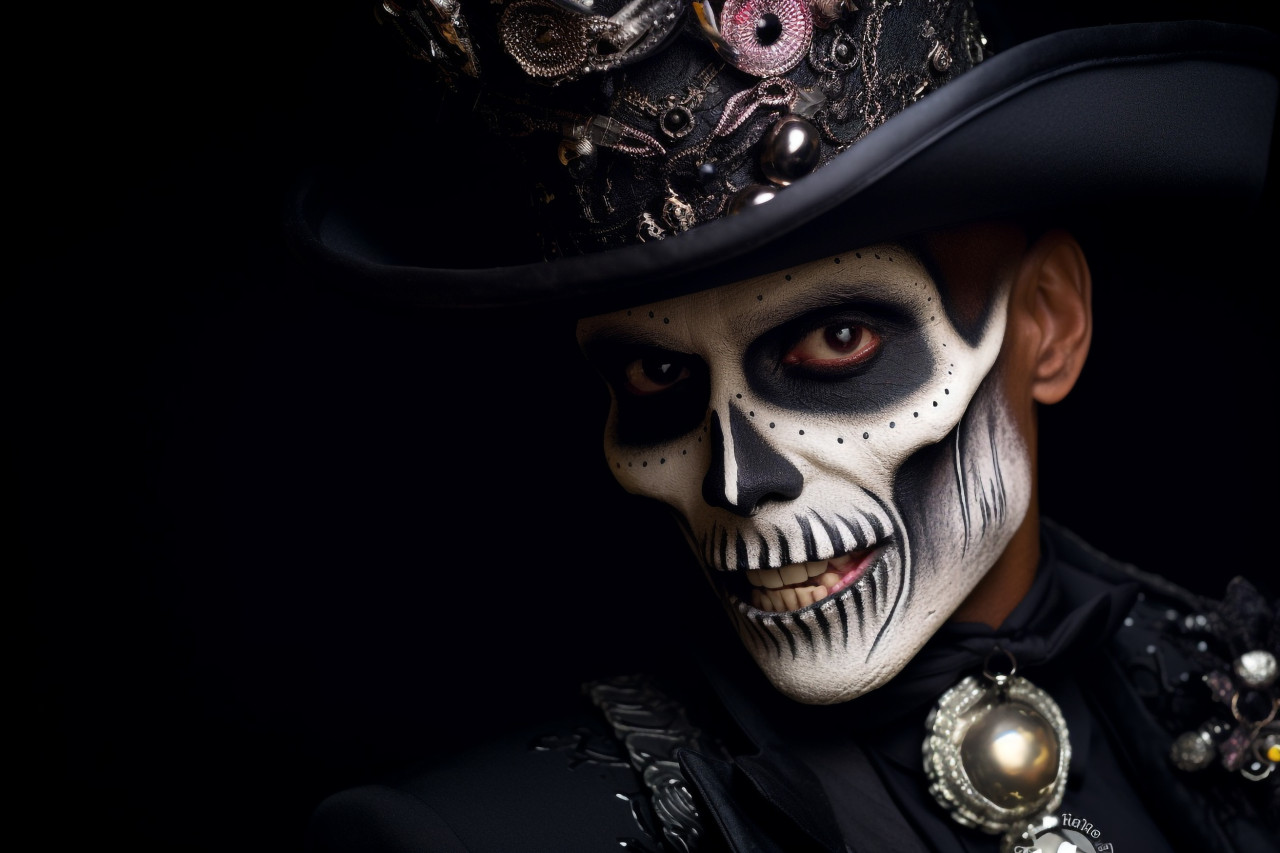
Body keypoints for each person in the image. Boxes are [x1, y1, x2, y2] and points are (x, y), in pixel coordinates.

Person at [288, 1, 1279, 850]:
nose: (736, 479)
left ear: (1045, 325)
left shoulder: (1240, 694)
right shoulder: (486, 835)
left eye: (838, 341)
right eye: (657, 373)